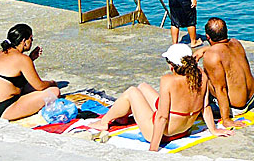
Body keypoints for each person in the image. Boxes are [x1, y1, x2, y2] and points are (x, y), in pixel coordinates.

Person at [89, 44, 233, 151]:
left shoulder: (168, 81)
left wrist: (153, 149)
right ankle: (122, 117)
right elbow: (205, 107)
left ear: (172, 66)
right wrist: (213, 130)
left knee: (132, 92)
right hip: (183, 130)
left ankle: (104, 121)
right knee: (143, 87)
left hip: (163, 134)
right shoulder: (201, 75)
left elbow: (162, 117)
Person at [0, 23, 59, 120]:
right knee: (54, 91)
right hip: (2, 110)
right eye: (31, 39)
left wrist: (31, 58)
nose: (32, 41)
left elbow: (15, 74)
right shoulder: (23, 59)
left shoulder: (1, 53)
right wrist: (52, 83)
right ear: (24, 41)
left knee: (27, 86)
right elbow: (40, 86)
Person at [193, 17, 254, 129]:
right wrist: (205, 50)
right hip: (252, 98)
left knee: (199, 76)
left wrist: (226, 119)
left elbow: (221, 88)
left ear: (207, 37)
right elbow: (223, 49)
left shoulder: (212, 56)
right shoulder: (236, 43)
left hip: (236, 107)